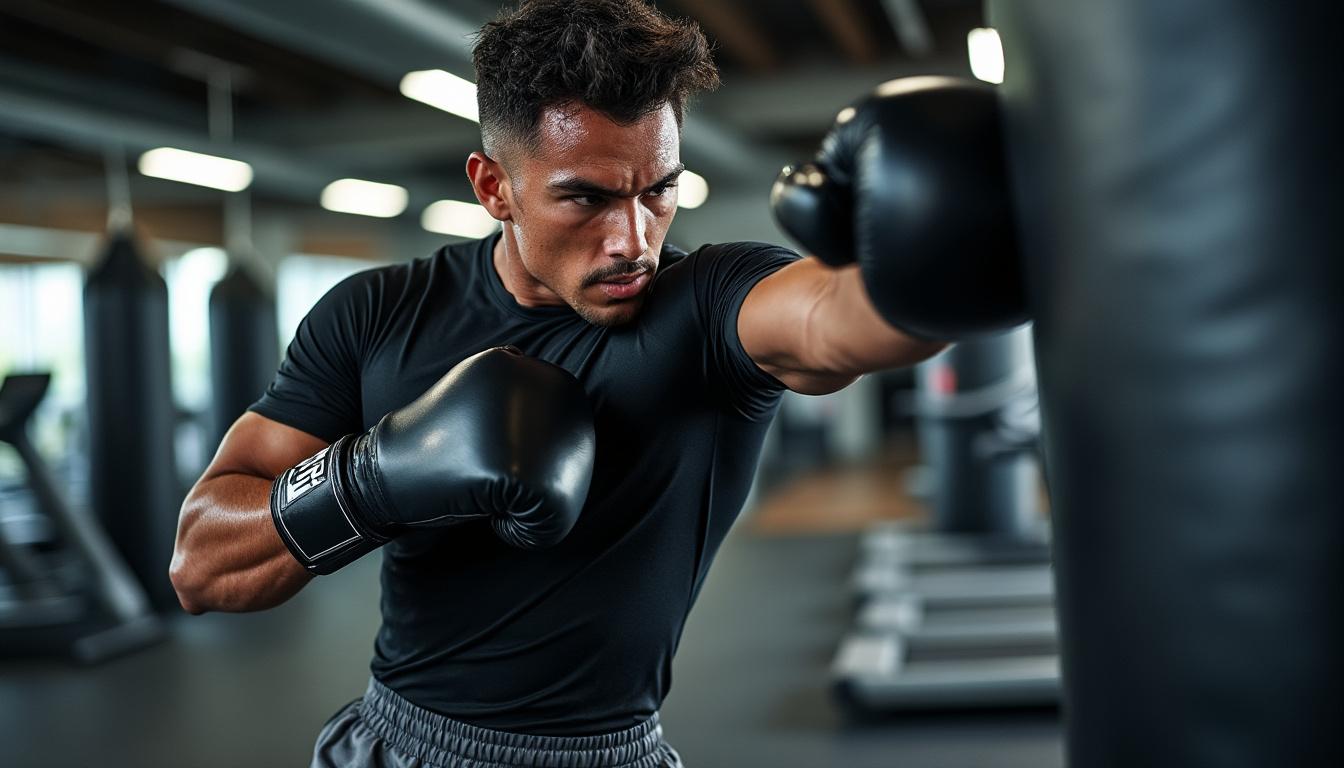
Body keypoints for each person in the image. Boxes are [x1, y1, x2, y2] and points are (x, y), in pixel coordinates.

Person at [169, 1, 1008, 765]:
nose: (632, 239)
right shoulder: (375, 314)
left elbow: (839, 320)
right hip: (395, 744)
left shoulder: (707, 306)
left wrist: (944, 246)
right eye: (586, 199)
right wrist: (376, 478)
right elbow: (201, 568)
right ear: (494, 186)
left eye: (660, 191)